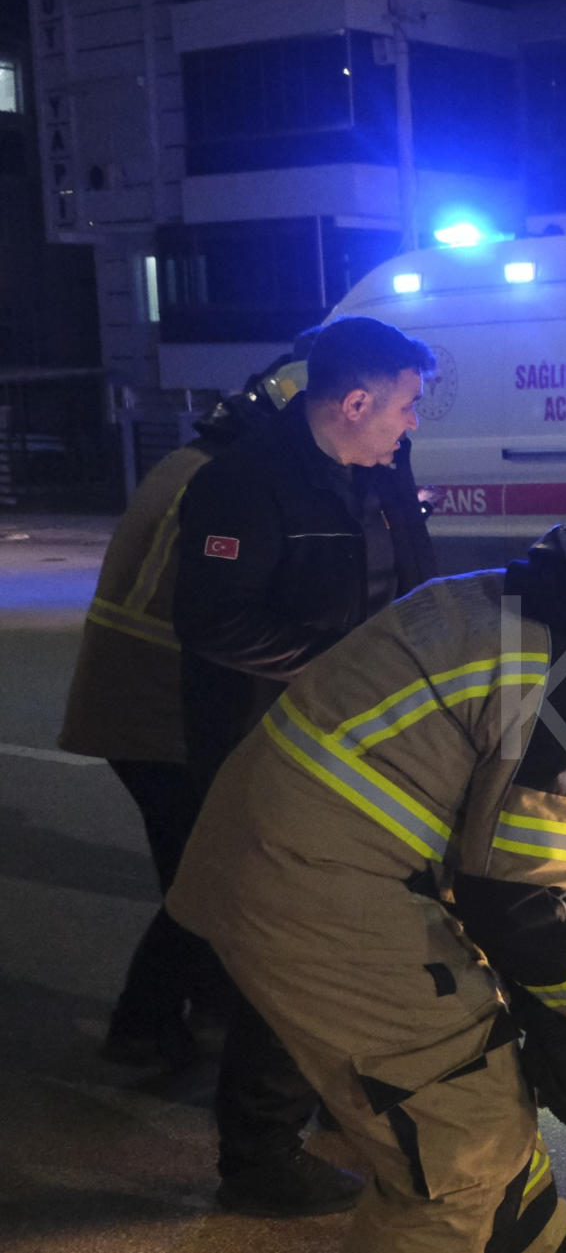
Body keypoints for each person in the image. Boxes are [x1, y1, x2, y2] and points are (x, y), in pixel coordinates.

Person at [166, 498, 566, 1253]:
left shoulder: (519, 602)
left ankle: (530, 1231)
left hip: (300, 859)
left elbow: (543, 863)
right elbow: (521, 904)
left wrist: (564, 1005)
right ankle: (487, 1225)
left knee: (481, 1080)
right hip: (323, 891)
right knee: (461, 1141)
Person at [170, 315, 439, 1217]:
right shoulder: (243, 484)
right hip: (274, 750)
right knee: (296, 943)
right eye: (404, 405)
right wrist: (339, 672)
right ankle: (257, 1156)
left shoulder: (382, 470)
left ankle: (314, 1099)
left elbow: (411, 589)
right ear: (355, 401)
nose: (411, 424)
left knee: (347, 934)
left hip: (365, 749)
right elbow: (213, 623)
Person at [58, 335, 314, 1070]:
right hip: (156, 710)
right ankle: (142, 1022)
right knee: (206, 880)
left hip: (132, 705)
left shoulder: (196, 460)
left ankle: (204, 1005)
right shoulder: (228, 480)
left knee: (194, 870)